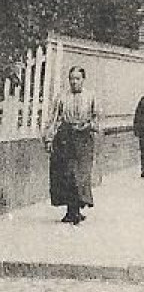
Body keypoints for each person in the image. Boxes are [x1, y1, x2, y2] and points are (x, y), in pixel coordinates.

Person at [45, 65, 98, 224]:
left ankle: (76, 209)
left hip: (83, 139)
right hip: (65, 138)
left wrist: (89, 125)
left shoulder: (91, 96)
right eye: (71, 79)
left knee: (80, 175)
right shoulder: (62, 97)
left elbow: (97, 117)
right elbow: (54, 119)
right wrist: (49, 139)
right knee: (66, 174)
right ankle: (71, 210)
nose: (74, 82)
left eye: (77, 79)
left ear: (83, 80)